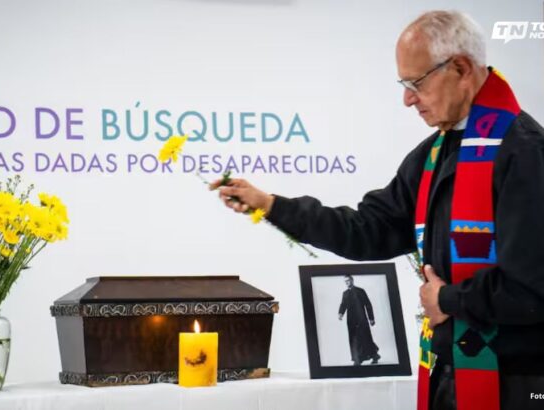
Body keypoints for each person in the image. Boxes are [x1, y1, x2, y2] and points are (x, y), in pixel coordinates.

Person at [210, 10, 544, 410]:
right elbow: (367, 230)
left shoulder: (524, 152)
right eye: (405, 85)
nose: (407, 99)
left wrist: (449, 300)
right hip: (450, 373)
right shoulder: (432, 155)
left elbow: (532, 289)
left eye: (417, 83)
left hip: (518, 383)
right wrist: (272, 206)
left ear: (461, 68)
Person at [338, 275, 380, 366]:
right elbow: (343, 304)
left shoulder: (360, 291)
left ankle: (367, 357)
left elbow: (368, 304)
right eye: (345, 281)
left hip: (361, 318)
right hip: (351, 320)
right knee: (353, 339)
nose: (347, 283)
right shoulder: (345, 293)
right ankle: (363, 357)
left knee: (365, 337)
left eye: (348, 280)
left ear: (352, 280)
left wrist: (371, 318)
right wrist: (340, 313)